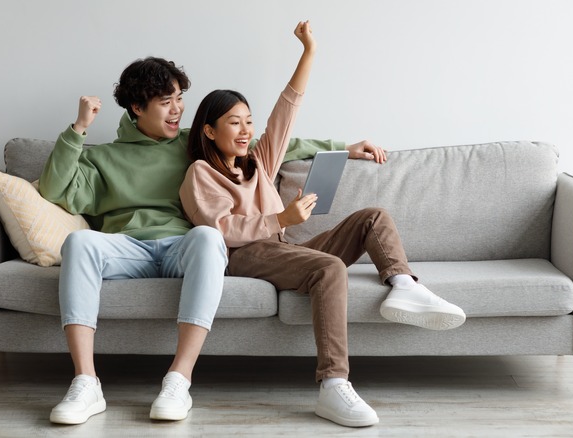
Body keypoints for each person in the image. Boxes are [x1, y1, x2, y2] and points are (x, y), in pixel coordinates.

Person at [39, 46, 386, 425]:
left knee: (208, 236)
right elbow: (55, 189)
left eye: (180, 100)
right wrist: (78, 130)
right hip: (127, 248)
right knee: (78, 241)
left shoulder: (195, 145)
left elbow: (270, 145)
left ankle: (178, 379)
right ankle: (86, 382)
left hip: (184, 247)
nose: (176, 110)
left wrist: (343, 149)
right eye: (165, 102)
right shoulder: (100, 158)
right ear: (137, 108)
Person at [179, 21, 466, 428]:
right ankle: (333, 385)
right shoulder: (200, 174)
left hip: (282, 248)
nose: (246, 130)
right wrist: (282, 218)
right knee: (329, 268)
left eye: (248, 121)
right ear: (209, 129)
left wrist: (308, 52)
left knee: (373, 217)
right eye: (234, 122)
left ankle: (404, 286)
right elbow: (219, 229)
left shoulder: (259, 162)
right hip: (243, 256)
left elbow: (287, 109)